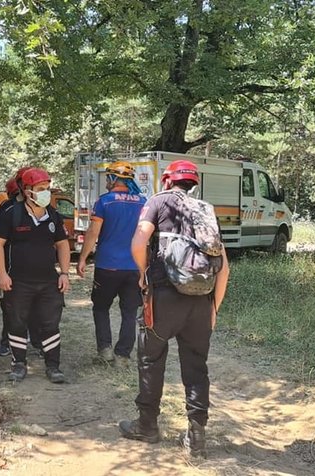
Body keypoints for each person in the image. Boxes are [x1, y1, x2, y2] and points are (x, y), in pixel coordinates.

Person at [118, 160, 230, 459]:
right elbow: (224, 268)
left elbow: (140, 239)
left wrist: (142, 274)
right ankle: (196, 438)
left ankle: (147, 426)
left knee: (150, 359)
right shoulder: (205, 210)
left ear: (167, 181)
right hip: (201, 304)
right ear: (194, 184)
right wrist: (214, 309)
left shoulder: (158, 201)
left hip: (163, 298)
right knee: (196, 368)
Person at [0, 167, 71, 383]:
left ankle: (53, 366)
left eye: (47, 188)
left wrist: (64, 273)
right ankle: (19, 364)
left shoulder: (53, 215)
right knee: (17, 322)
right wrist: (2, 275)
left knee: (50, 324)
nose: (46, 192)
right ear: (27, 191)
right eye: (41, 188)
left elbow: (63, 245)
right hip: (18, 281)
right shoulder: (11, 214)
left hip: (48, 282)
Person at [76, 161, 146, 367]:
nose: (106, 181)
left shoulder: (104, 202)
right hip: (134, 267)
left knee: (100, 308)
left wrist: (82, 258)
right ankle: (123, 356)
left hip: (107, 266)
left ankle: (105, 350)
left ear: (115, 179)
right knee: (129, 312)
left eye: (108, 178)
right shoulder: (143, 202)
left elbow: (93, 233)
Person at [0, 173, 42, 357]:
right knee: (14, 307)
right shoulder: (8, 209)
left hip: (17, 268)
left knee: (12, 307)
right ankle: (14, 342)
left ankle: (14, 342)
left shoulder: (40, 208)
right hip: (12, 268)